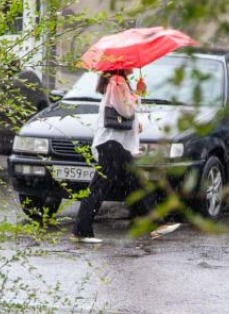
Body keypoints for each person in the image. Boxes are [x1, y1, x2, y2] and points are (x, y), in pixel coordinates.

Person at [71, 69, 179, 244]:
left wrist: (135, 124)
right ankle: (81, 230)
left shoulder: (116, 81)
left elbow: (122, 111)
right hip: (113, 145)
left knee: (135, 183)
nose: (132, 68)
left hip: (114, 144)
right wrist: (138, 92)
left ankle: (156, 224)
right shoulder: (117, 81)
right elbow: (126, 109)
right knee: (102, 186)